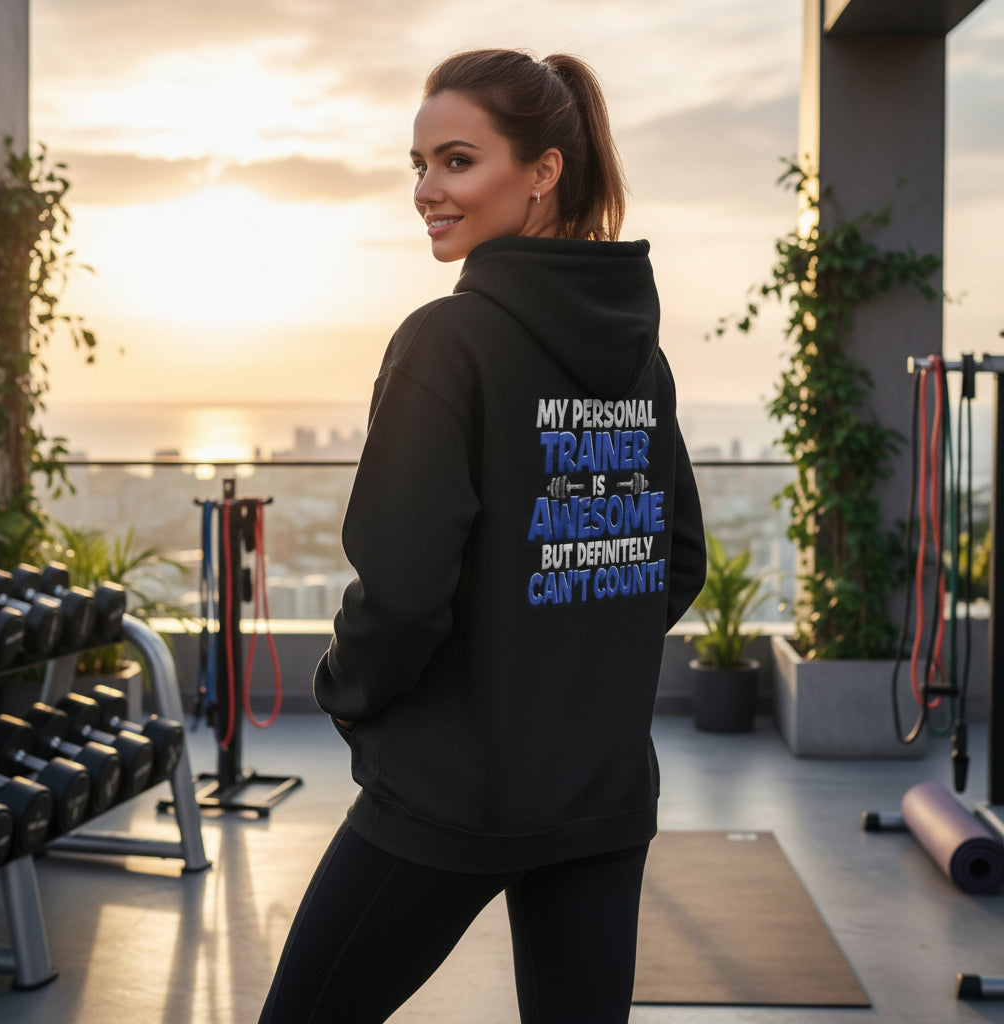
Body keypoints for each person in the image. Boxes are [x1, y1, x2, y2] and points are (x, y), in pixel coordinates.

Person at [258, 48, 706, 1024]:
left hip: (449, 794)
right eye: (416, 165)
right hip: (600, 791)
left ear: (542, 169)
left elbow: (404, 592)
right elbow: (672, 564)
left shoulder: (446, 342)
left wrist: (349, 695)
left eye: (456, 161)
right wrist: (568, 670)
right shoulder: (645, 359)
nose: (426, 190)